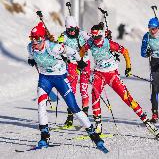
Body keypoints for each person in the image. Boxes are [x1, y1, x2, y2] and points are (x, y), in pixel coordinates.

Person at [27, 22, 105, 150]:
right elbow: (31, 55)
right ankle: (44, 136)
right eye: (32, 38)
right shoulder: (30, 47)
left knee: (74, 107)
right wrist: (30, 59)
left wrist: (79, 61)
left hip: (60, 78)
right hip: (44, 79)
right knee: (41, 105)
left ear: (43, 38)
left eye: (38, 38)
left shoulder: (53, 47)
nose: (35, 42)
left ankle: (94, 135)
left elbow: (73, 51)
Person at [80, 22, 159, 138]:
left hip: (111, 74)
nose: (96, 40)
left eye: (98, 37)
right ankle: (98, 125)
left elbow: (125, 52)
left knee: (126, 97)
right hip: (99, 73)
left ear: (102, 36)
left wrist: (128, 67)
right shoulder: (90, 42)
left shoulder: (108, 44)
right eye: (94, 37)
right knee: (94, 94)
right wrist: (81, 62)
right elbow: (82, 50)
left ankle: (146, 120)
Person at [57, 16, 91, 127]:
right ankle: (70, 116)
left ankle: (85, 114)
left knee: (84, 88)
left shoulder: (82, 33)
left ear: (77, 27)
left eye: (73, 30)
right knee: (71, 89)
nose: (71, 32)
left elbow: (93, 39)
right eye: (69, 30)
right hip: (72, 63)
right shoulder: (64, 35)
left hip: (84, 62)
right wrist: (59, 46)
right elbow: (58, 46)